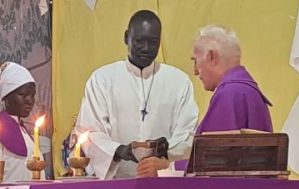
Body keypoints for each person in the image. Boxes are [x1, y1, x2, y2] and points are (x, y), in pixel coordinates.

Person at [75, 9, 198, 179]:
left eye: (153, 42)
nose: (146, 48)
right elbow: (89, 131)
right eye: (139, 41)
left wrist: (167, 149)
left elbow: (187, 132)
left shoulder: (179, 81)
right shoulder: (102, 79)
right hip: (116, 182)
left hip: (163, 181)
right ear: (127, 37)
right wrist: (120, 151)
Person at [137, 24, 273, 177]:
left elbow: (212, 162)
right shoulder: (248, 92)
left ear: (211, 57)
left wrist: (166, 169)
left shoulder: (230, 93)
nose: (195, 71)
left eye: (195, 61)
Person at [0, 62, 45, 182]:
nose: (30, 101)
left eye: (32, 95)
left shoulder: (24, 131)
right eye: (23, 94)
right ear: (6, 96)